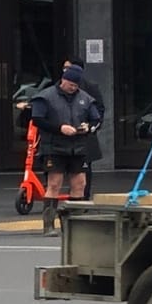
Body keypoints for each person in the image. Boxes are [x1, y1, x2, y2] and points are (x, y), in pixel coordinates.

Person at [31, 63, 103, 203]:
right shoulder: (46, 97)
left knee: (80, 183)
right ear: (63, 80)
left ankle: (76, 221)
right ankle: (49, 222)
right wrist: (60, 128)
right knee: (54, 183)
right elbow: (37, 120)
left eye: (76, 85)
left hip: (78, 147)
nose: (73, 88)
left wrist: (89, 127)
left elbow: (96, 119)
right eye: (70, 84)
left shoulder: (86, 98)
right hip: (54, 147)